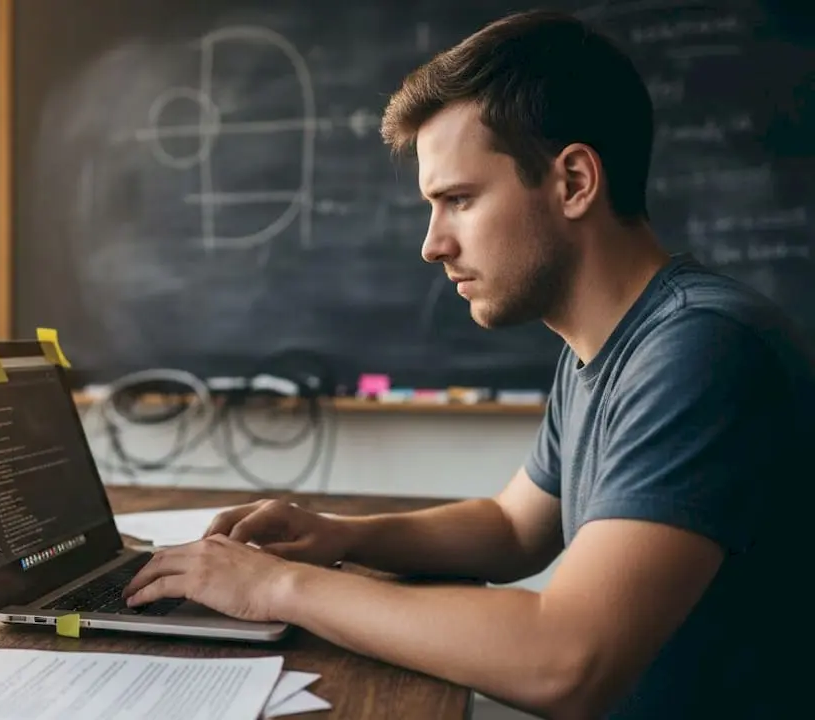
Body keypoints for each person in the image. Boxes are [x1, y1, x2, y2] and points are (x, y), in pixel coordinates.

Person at [123, 9, 815, 719]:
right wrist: (337, 534)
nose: (432, 244)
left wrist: (272, 587)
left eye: (458, 200)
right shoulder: (612, 344)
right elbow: (514, 527)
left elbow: (565, 660)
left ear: (574, 181)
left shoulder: (700, 349)